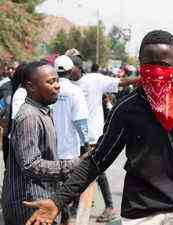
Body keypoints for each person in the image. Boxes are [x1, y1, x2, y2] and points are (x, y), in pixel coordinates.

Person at [24, 30, 173, 225]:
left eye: (164, 65)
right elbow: (98, 160)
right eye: (150, 65)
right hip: (140, 214)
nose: (157, 71)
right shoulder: (126, 108)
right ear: (140, 64)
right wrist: (58, 201)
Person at [1, 61, 81, 225]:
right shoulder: (30, 117)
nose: (57, 86)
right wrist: (74, 164)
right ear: (31, 87)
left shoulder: (42, 111)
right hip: (29, 207)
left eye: (57, 80)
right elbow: (31, 164)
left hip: (42, 201)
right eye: (50, 82)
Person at [67, 52, 140, 222]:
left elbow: (121, 82)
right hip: (73, 138)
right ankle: (76, 203)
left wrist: (143, 78)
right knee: (77, 170)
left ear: (78, 68)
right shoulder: (65, 84)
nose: (68, 73)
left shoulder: (94, 80)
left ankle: (109, 207)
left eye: (71, 69)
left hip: (92, 135)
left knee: (97, 170)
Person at [53, 55, 90, 224]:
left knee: (52, 189)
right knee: (66, 190)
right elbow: (80, 121)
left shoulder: (47, 88)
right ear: (70, 71)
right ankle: (66, 219)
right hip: (68, 151)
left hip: (49, 150)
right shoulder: (75, 91)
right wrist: (87, 145)